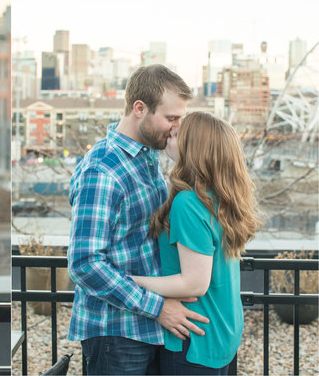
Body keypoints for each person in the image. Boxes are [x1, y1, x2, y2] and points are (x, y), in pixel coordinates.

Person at [66, 64, 209, 375]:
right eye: (171, 118)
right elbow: (84, 263)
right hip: (116, 332)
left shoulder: (147, 156)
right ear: (140, 109)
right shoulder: (102, 171)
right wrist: (157, 307)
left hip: (148, 326)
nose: (175, 128)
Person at [130, 112, 262, 374]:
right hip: (221, 332)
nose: (170, 134)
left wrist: (131, 281)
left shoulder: (189, 203)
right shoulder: (222, 200)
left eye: (177, 135)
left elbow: (194, 284)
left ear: (194, 149)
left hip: (194, 340)